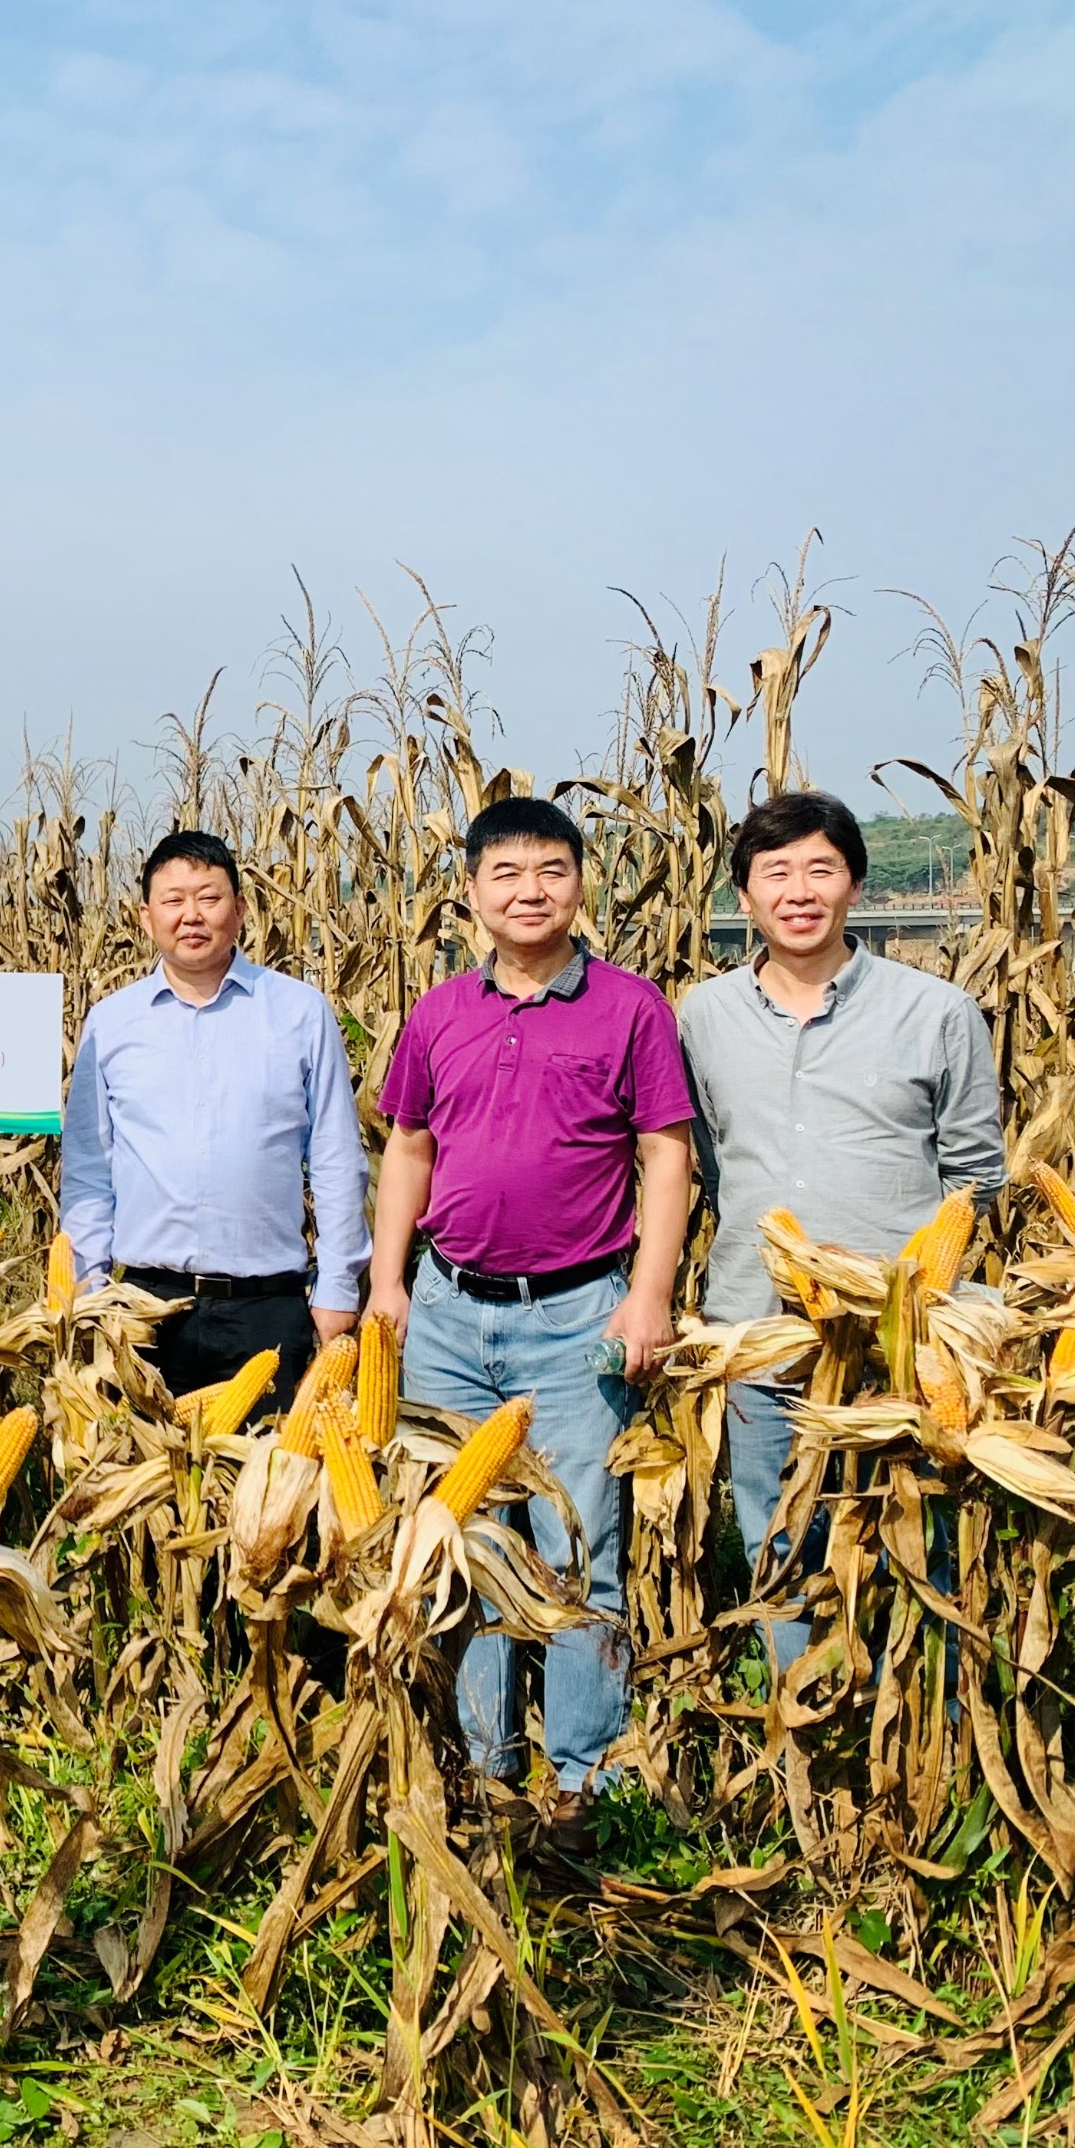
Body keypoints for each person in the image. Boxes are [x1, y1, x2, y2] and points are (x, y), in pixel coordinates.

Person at [366, 795, 693, 1854]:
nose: (530, 890)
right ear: (471, 892)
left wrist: (650, 1291)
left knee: (577, 1544)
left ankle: (586, 1779)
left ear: (582, 884)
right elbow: (408, 1147)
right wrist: (388, 1279)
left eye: (551, 869)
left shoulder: (632, 1009)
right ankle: (483, 1763)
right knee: (461, 1544)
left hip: (577, 1312)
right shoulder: (438, 1013)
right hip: (450, 1312)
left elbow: (665, 1155)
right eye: (505, 872)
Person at [677, 790, 1003, 1670]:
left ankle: (920, 1713)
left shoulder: (937, 1012)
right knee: (778, 1541)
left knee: (917, 1545)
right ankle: (798, 1718)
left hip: (901, 1341)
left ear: (855, 883)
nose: (799, 891)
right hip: (762, 1329)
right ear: (744, 894)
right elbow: (710, 1159)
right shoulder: (703, 1016)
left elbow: (976, 1177)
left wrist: (919, 1293)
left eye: (821, 869)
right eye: (775, 872)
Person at [60, 828, 368, 1411]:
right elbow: (89, 1171)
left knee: (274, 1466)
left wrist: (336, 1287)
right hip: (144, 1307)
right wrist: (88, 1290)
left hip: (268, 1307)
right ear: (146, 917)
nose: (191, 916)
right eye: (173, 901)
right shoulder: (111, 1023)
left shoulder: (300, 1013)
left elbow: (335, 1161)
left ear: (241, 909)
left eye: (209, 898)